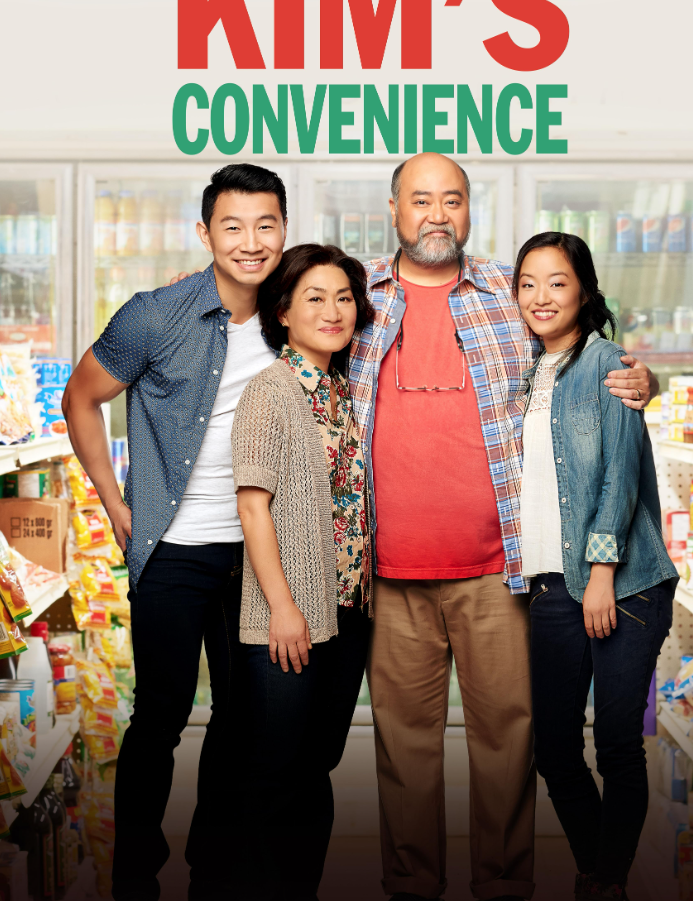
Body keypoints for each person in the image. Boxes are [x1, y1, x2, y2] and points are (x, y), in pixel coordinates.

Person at [347, 152, 659, 901]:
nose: (436, 214)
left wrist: (646, 378)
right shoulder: (352, 295)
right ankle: (413, 886)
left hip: (498, 570)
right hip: (389, 573)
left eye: (451, 199)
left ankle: (504, 886)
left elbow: (585, 354)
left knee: (508, 745)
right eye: (420, 199)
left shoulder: (503, 291)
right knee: (406, 751)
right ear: (393, 209)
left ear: (468, 210)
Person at [62, 163, 288, 901]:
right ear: (205, 232)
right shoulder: (154, 314)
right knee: (159, 715)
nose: (251, 242)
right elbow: (81, 396)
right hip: (174, 551)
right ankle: (136, 874)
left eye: (266, 225)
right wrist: (113, 499)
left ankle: (212, 869)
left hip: (259, 554)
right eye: (234, 226)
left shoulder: (296, 312)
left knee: (240, 718)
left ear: (283, 229)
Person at [513, 232, 678, 901]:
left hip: (627, 582)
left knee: (615, 742)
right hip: (551, 584)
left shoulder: (609, 364)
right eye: (528, 282)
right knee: (554, 747)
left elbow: (619, 478)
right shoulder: (523, 368)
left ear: (583, 287)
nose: (541, 296)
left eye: (557, 281)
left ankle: (603, 880)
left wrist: (603, 570)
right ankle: (601, 869)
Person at [232, 244, 374, 901]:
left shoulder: (346, 391)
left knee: (317, 767)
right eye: (314, 297)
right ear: (283, 312)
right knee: (276, 773)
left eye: (344, 296)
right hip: (288, 618)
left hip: (347, 613)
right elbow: (253, 507)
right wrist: (282, 605)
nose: (333, 309)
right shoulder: (271, 390)